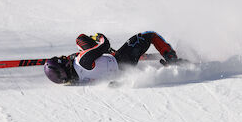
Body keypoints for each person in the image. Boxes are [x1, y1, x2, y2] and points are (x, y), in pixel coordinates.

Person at [44, 31, 179, 84]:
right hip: (122, 60)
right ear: (64, 65)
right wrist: (98, 37)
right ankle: (171, 57)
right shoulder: (82, 60)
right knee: (149, 36)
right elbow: (105, 44)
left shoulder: (75, 80)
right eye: (62, 59)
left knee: (81, 41)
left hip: (117, 70)